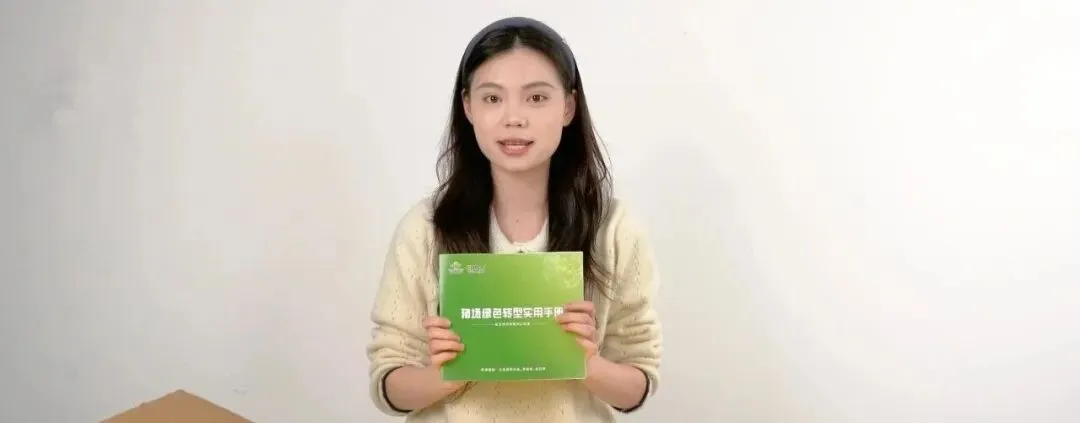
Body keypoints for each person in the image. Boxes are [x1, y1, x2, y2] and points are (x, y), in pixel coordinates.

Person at [366, 16, 662, 422]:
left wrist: (587, 363)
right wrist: (447, 374)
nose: (513, 118)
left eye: (536, 98)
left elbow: (639, 380)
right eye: (492, 98)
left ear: (568, 107)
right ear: (468, 107)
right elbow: (388, 382)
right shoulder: (427, 227)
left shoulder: (613, 228)